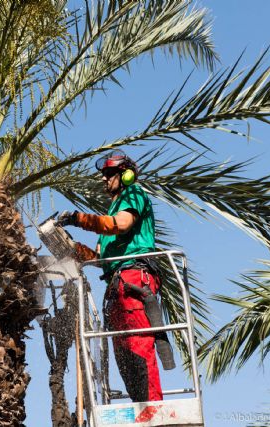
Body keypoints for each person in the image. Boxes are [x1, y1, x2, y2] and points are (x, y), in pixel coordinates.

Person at [58, 149, 174, 403]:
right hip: (117, 288)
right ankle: (140, 404)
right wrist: (73, 249)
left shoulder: (134, 194)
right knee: (124, 354)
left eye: (109, 173)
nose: (104, 178)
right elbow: (100, 259)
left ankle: (152, 408)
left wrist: (79, 219)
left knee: (138, 345)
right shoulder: (112, 212)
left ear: (126, 175)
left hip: (134, 280)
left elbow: (121, 224)